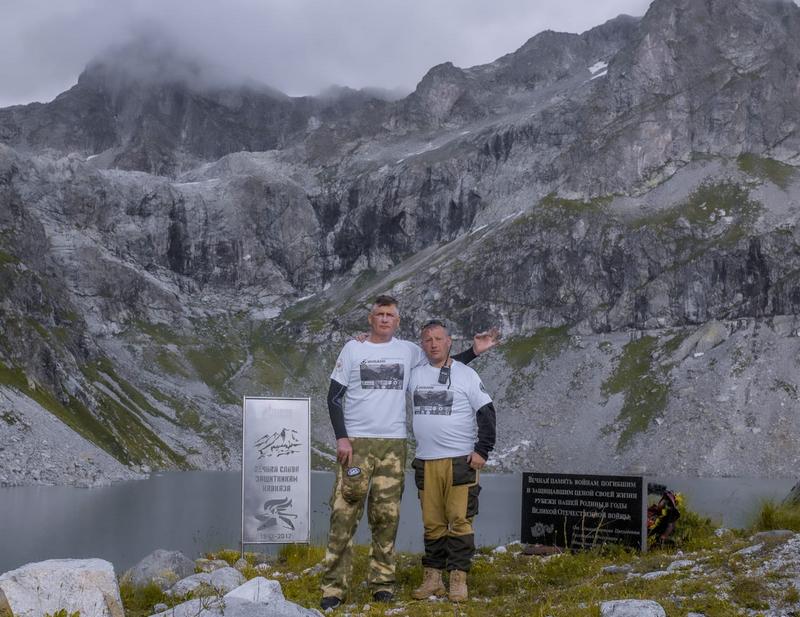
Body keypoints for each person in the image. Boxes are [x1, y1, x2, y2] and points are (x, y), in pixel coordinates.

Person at [320, 295, 499, 610]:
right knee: (343, 515)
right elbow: (334, 396)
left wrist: (474, 352)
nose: (385, 319)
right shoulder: (353, 348)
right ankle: (333, 588)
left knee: (386, 517)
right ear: (370, 318)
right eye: (380, 314)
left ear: (397, 321)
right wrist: (342, 437)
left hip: (394, 444)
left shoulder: (409, 352)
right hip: (358, 443)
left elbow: (442, 360)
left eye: (390, 314)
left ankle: (382, 584)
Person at [408, 319, 496, 603]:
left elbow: (486, 411)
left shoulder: (466, 374)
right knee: (432, 523)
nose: (433, 344)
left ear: (449, 342)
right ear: (423, 344)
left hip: (460, 461)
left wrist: (482, 450)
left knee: (459, 521)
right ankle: (432, 579)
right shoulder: (415, 374)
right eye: (427, 339)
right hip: (426, 461)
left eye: (438, 338)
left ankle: (458, 578)